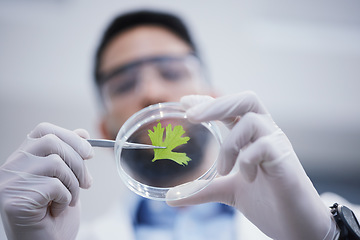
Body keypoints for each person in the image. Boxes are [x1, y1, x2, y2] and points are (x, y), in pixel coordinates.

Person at [0, 9, 358, 240]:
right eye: (124, 85)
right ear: (107, 132)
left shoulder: (330, 220)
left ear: (215, 103)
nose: (151, 91)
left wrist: (328, 236)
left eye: (171, 72)